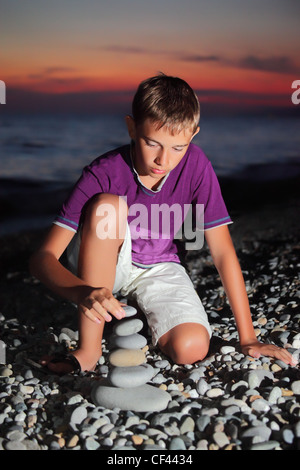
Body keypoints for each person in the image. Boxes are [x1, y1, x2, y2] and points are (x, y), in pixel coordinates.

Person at [29, 74, 297, 375]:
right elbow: (42, 259)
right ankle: (89, 349)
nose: (163, 160)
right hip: (101, 266)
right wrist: (83, 292)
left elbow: (222, 252)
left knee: (191, 348)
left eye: (177, 148)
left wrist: (248, 338)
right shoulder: (103, 172)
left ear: (192, 136)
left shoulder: (197, 166)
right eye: (151, 143)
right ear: (132, 127)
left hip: (159, 267)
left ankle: (139, 319)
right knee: (108, 206)